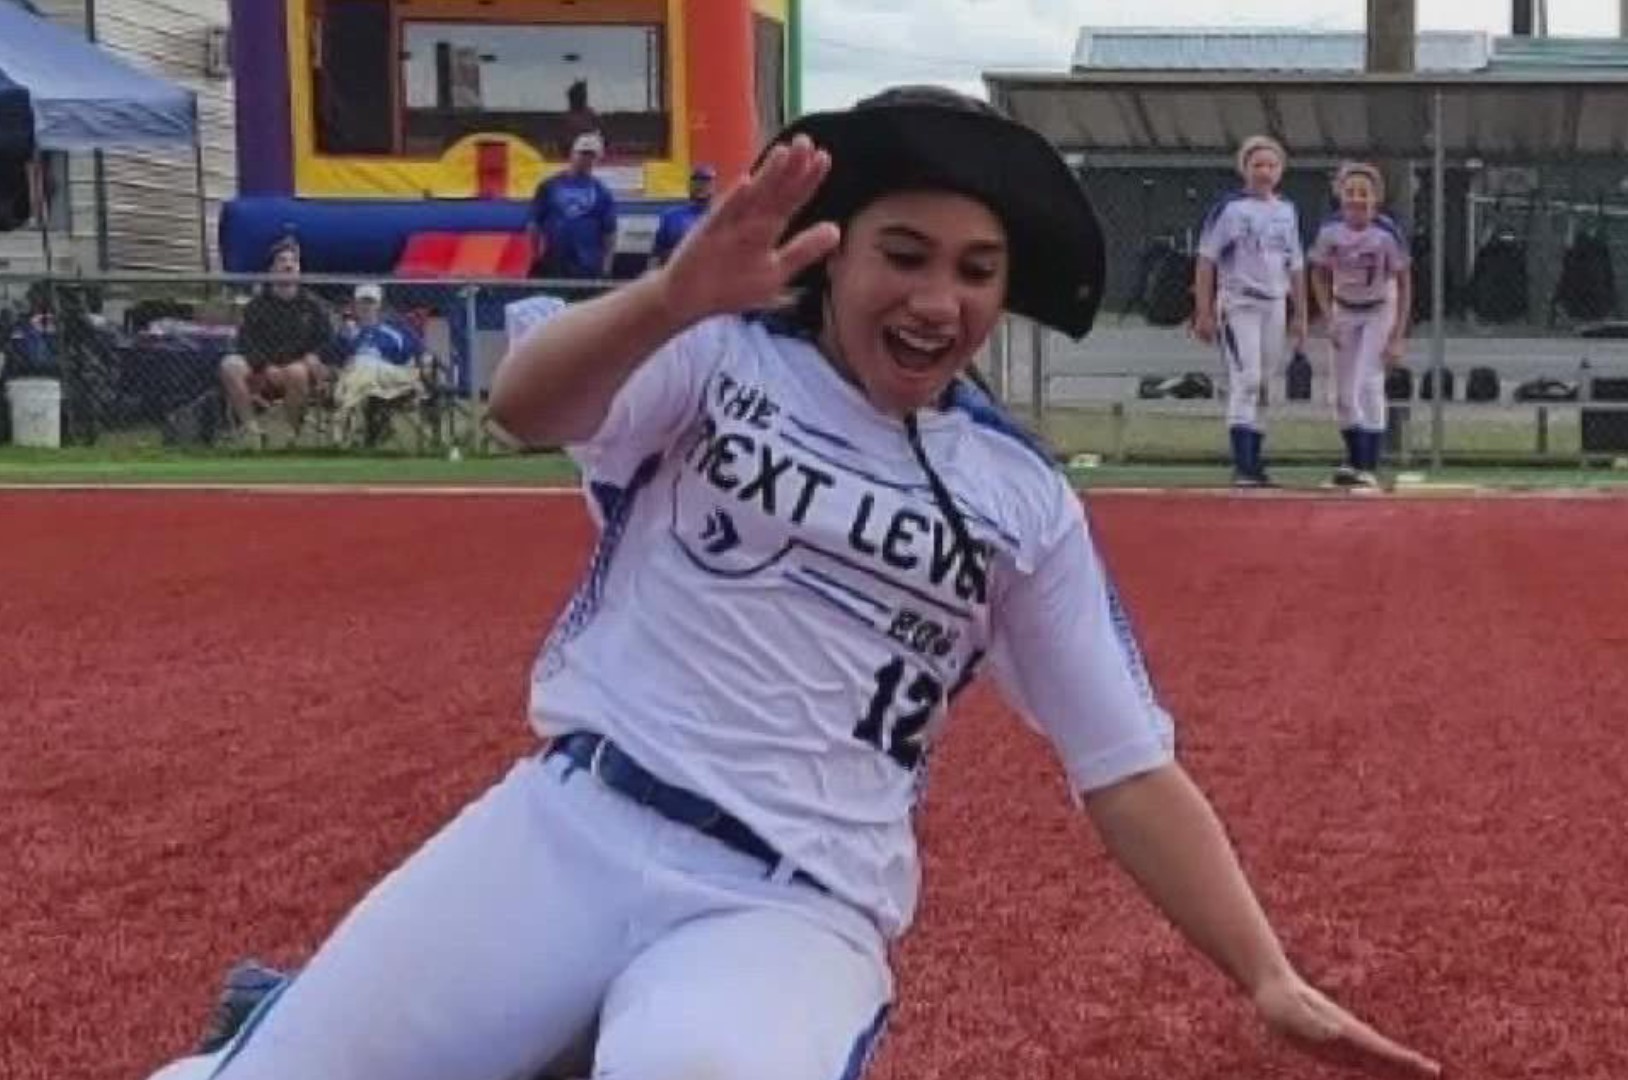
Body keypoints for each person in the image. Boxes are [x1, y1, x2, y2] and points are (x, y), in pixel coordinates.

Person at [140, 86, 1442, 1080]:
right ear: (836, 254)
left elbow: (1126, 764)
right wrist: (668, 296)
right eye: (906, 253)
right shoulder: (719, 359)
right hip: (574, 825)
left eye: (975, 271)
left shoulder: (1021, 500)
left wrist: (1264, 974)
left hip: (792, 902)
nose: (938, 296)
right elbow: (523, 409)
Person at [1190, 135, 1307, 488]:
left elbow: (1296, 264)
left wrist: (1300, 312)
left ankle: (1256, 460)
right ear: (1245, 169)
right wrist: (1204, 310)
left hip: (1274, 301)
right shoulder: (1231, 209)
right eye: (1257, 165)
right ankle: (1242, 463)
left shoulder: (1286, 211)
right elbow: (1207, 259)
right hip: (1240, 301)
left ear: (1281, 171)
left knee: (1266, 382)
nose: (1265, 172)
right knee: (1247, 377)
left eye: (1271, 165)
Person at [1308, 162, 1413, 492]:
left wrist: (1397, 334)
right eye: (1350, 192)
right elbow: (1319, 273)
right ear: (1339, 195)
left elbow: (1405, 281)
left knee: (1367, 381)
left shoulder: (1385, 233)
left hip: (1379, 308)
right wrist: (1328, 315)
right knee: (1341, 392)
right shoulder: (1330, 231)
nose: (1356, 199)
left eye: (1364, 193)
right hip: (1345, 308)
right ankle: (1354, 459)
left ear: (1376, 198)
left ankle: (1369, 464)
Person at [216, 237, 335, 448]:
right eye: (282, 261)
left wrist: (313, 357)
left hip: (299, 370)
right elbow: (246, 342)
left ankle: (291, 437)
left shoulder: (315, 306)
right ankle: (252, 432)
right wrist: (265, 366)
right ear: (271, 269)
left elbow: (328, 342)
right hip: (262, 369)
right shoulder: (257, 305)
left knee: (296, 372)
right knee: (230, 364)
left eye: (294, 261)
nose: (289, 265)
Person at [328, 283, 431, 445]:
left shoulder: (396, 329)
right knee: (359, 366)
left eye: (371, 302)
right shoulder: (346, 332)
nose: (366, 306)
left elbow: (421, 355)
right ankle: (359, 430)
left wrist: (423, 370)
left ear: (379, 305)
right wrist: (346, 338)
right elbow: (333, 362)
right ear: (354, 305)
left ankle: (344, 432)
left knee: (365, 364)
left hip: (390, 377)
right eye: (362, 301)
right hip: (354, 378)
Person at [528, 132, 618, 281]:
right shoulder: (549, 185)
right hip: (553, 263)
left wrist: (606, 267)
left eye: (591, 155)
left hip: (588, 266)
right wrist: (535, 255)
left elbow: (610, 232)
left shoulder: (602, 191)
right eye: (582, 153)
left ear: (597, 159)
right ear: (572, 153)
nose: (586, 159)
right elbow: (534, 224)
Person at [649, 163, 716, 269]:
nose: (700, 186)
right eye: (696, 182)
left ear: (714, 186)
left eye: (705, 182)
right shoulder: (671, 217)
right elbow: (656, 254)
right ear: (689, 186)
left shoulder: (721, 218)